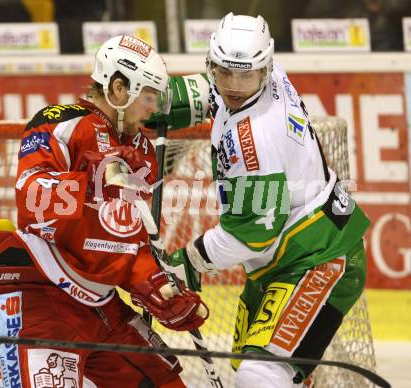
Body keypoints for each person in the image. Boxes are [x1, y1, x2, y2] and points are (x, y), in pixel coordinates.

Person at [151, 12, 370, 387]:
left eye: (245, 75)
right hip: (288, 257)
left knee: (260, 375)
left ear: (264, 70)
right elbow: (216, 88)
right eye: (224, 73)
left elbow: (249, 236)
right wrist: (159, 98)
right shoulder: (270, 75)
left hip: (320, 259)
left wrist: (187, 261)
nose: (234, 86)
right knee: (262, 371)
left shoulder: (254, 142)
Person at [0, 35, 208, 388]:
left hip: (100, 305)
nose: (153, 108)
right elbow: (29, 198)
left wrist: (155, 287)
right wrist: (89, 181)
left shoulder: (140, 150)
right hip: (40, 292)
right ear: (119, 88)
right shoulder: (60, 121)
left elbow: (126, 239)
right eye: (148, 95)